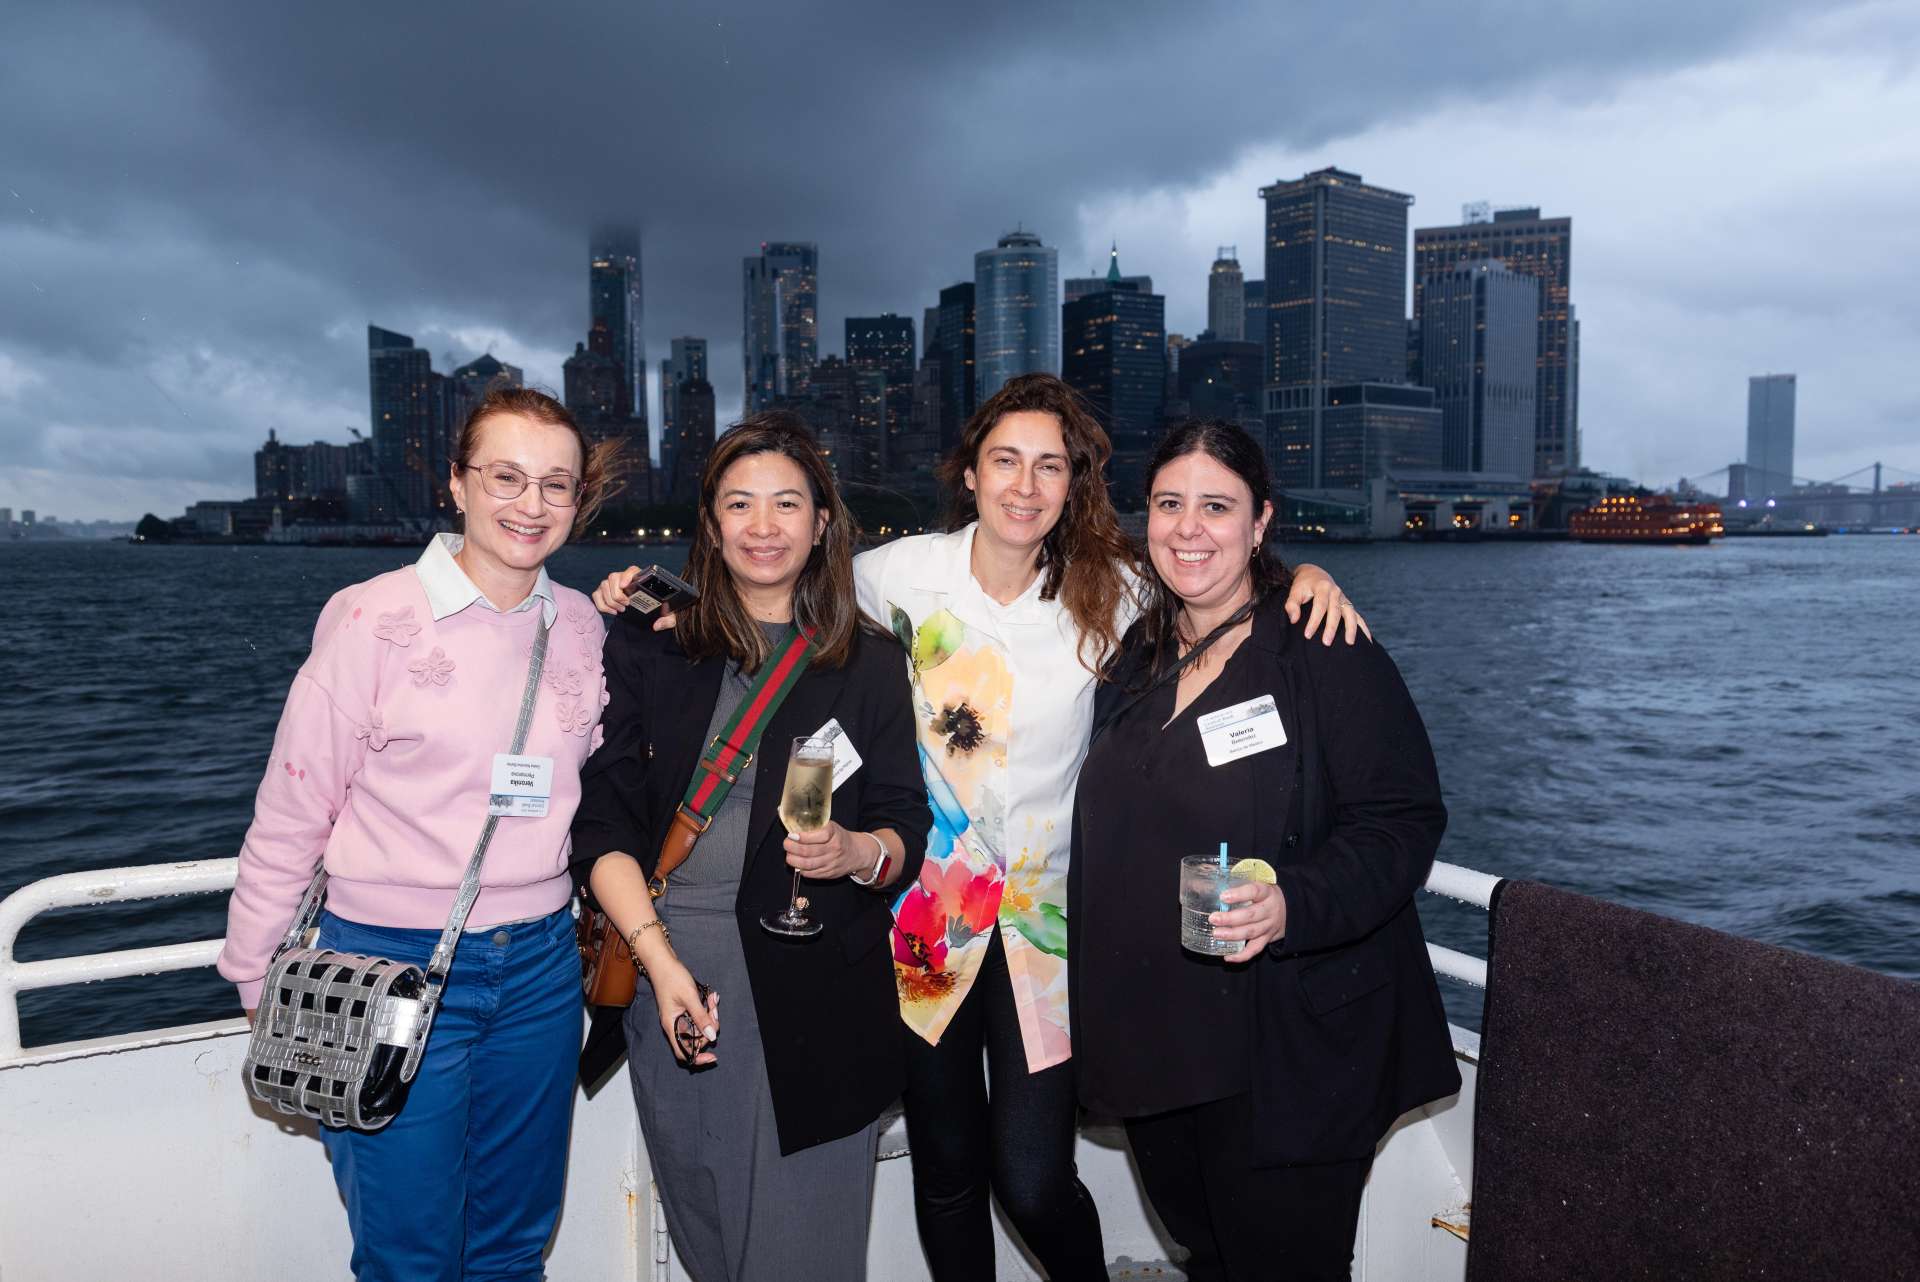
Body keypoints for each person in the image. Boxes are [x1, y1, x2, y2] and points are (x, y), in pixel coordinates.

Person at [592, 375, 1371, 1281]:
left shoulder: (1114, 589)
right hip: (925, 913)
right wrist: (662, 601)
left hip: (1052, 921)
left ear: (1074, 483)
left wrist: (1302, 577)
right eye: (1005, 460)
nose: (1024, 486)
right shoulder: (895, 576)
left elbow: (1217, 589)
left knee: (1034, 1179)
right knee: (947, 1172)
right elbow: (775, 591)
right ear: (969, 472)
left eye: (1050, 466)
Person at [216, 387, 621, 1280]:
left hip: (541, 968)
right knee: (411, 1257)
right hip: (385, 959)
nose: (531, 503)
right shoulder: (374, 618)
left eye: (556, 484)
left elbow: (602, 776)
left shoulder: (583, 625)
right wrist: (255, 974)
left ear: (577, 500)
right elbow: (291, 812)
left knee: (513, 1246)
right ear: (457, 483)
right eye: (506, 477)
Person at [1069, 419, 1461, 1282]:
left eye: (1217, 506)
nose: (1189, 528)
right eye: (1169, 504)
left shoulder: (1322, 648)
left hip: (1284, 1048)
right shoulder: (1138, 654)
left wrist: (1293, 904)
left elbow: (1402, 821)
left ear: (1260, 522)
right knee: (1206, 1254)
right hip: (1160, 1040)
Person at [570, 411, 931, 1282]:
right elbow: (602, 821)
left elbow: (904, 824)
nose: (763, 526)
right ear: (711, 523)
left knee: (806, 1250)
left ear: (822, 523)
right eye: (739, 504)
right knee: (708, 1234)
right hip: (672, 972)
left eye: (786, 504)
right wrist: (660, 966)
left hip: (819, 990)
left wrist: (856, 852)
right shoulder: (654, 642)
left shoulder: (871, 662)